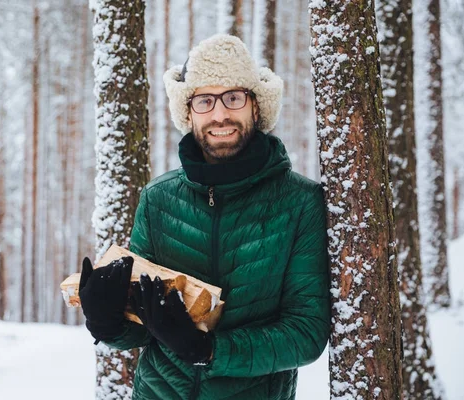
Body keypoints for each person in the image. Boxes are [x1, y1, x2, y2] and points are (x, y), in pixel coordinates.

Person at [78, 34, 330, 400]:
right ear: (189, 111)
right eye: (205, 101)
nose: (219, 114)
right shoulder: (158, 199)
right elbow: (143, 326)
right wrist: (105, 320)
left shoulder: (299, 202)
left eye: (233, 97)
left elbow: (305, 333)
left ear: (255, 107)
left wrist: (208, 350)